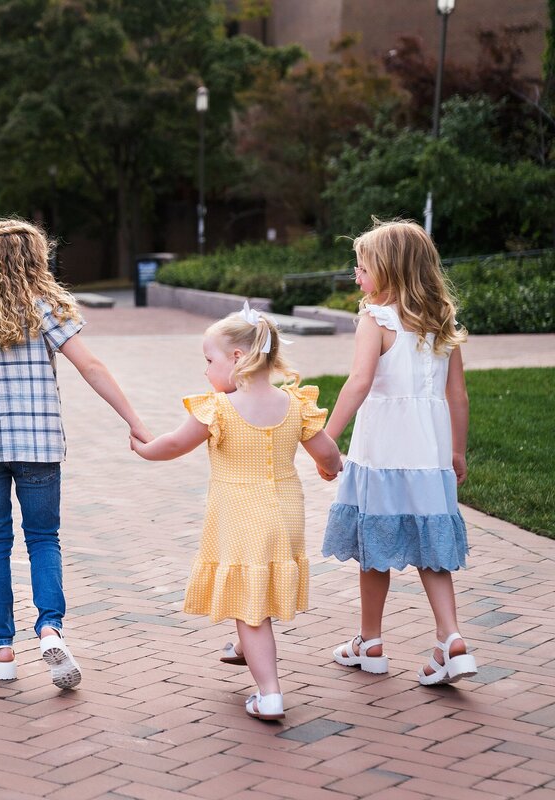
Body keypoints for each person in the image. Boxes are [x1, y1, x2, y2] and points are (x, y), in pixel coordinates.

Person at [0, 218, 151, 689]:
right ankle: (50, 627)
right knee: (43, 538)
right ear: (38, 258)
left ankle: (2, 647)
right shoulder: (46, 307)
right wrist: (135, 422)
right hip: (39, 444)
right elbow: (90, 365)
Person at [130, 305, 341, 720]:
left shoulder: (218, 409)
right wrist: (329, 468)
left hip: (242, 515)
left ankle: (269, 693)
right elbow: (329, 454)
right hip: (285, 515)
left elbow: (173, 444)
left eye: (210, 361)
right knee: (255, 584)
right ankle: (245, 649)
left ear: (238, 359)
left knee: (250, 606)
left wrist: (143, 448)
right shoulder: (295, 403)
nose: (206, 371)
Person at [321, 219, 477, 686]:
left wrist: (327, 438)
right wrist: (457, 452)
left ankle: (370, 642)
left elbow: (359, 381)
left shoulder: (377, 319)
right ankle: (450, 638)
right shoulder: (441, 323)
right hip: (428, 457)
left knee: (375, 547)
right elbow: (459, 396)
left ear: (388, 271)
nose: (356, 275)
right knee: (433, 551)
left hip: (382, 453)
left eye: (362, 267)